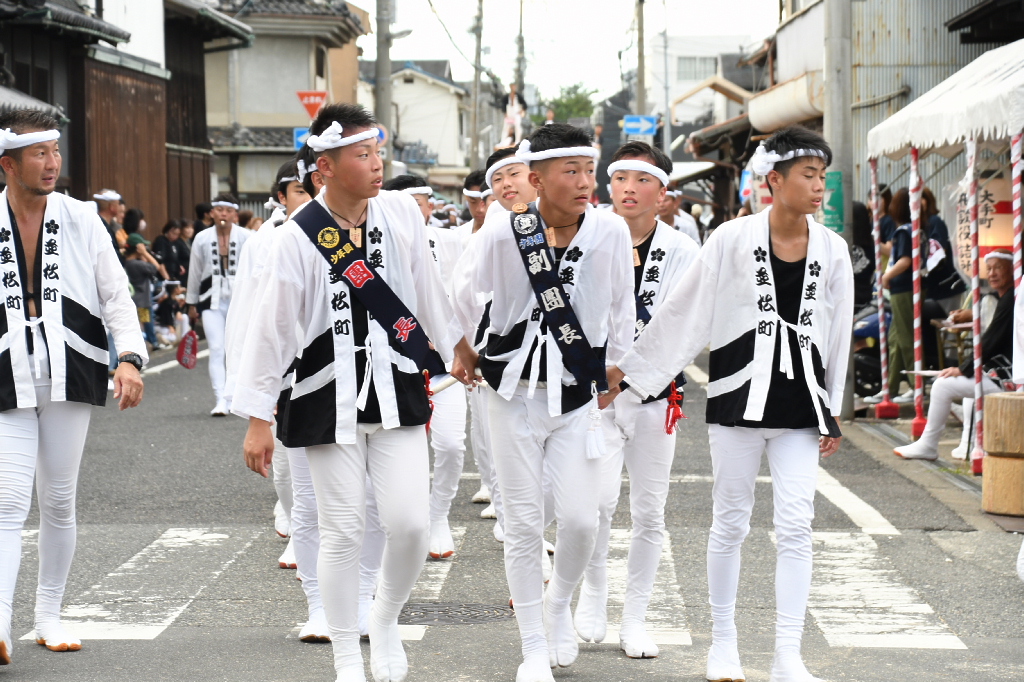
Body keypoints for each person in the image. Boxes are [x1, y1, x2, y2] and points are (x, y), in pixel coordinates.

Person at [234, 104, 476, 682]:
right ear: (325, 167)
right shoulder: (298, 236)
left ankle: (385, 620)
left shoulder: (397, 214)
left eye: (377, 153)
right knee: (342, 529)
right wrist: (257, 416)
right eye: (362, 155)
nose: (376, 165)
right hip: (324, 395)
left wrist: (455, 346)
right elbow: (273, 327)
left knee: (409, 523)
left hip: (397, 389)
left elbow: (427, 289)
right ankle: (347, 653)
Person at [605, 126, 852, 682]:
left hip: (800, 405)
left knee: (796, 523)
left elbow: (835, 332)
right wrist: (632, 371)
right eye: (808, 176)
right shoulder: (731, 239)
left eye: (821, 176)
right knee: (730, 521)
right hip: (738, 397)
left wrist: (831, 406)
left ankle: (788, 654)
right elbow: (684, 313)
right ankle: (724, 644)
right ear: (774, 181)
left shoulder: (833, 249)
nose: (819, 188)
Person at [452, 123, 634, 682]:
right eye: (570, 171)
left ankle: (560, 607)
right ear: (536, 179)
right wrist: (462, 349)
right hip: (510, 397)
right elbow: (459, 293)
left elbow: (623, 309)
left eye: (588, 169)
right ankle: (533, 646)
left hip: (576, 395)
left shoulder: (608, 233)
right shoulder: (504, 233)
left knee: (582, 519)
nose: (584, 182)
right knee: (524, 524)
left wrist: (617, 369)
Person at [0, 110, 146, 664]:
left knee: (58, 500)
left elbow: (115, 293)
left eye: (55, 152)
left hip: (72, 367)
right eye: (39, 154)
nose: (52, 163)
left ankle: (49, 614)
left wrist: (129, 356)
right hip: (5, 372)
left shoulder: (81, 217)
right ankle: (0, 624)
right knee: (8, 499)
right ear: (7, 163)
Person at [573, 141, 699, 659]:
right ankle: (595, 592)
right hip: (593, 398)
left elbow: (682, 331)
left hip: (652, 395)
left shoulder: (684, 251)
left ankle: (637, 618)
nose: (629, 188)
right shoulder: (586, 236)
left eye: (642, 180)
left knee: (649, 512)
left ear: (663, 193)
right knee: (597, 504)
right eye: (621, 178)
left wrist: (625, 377)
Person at [382, 173, 468, 560]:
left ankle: (438, 516)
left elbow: (464, 297)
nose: (421, 209)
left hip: (444, 363)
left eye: (425, 201)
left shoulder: (450, 242)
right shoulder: (373, 244)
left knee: (450, 444)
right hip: (394, 364)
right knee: (401, 454)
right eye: (411, 202)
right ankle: (402, 524)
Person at [894, 250, 1015, 461]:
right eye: (990, 269)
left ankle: (929, 445)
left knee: (943, 385)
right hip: (1003, 370)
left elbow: (990, 341)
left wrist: (963, 368)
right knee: (965, 392)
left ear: (1013, 270)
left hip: (1012, 377)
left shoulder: (1012, 299)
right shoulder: (1007, 297)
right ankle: (968, 447)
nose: (993, 273)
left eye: (999, 268)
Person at [186, 192, 251, 416]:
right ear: (212, 213)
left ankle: (236, 396)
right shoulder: (202, 238)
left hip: (240, 301)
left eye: (228, 210)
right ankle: (220, 399)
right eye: (219, 209)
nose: (223, 214)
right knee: (216, 348)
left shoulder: (248, 237)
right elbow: (194, 272)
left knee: (238, 349)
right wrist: (191, 302)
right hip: (210, 300)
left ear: (235, 214)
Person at [874, 188, 915, 404]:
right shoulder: (908, 230)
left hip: (903, 288)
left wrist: (887, 276)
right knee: (894, 340)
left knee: (906, 338)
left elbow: (905, 260)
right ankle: (889, 387)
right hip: (900, 289)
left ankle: (914, 386)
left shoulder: (904, 232)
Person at [123, 241, 164, 350]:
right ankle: (152, 342)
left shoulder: (127, 262)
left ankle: (149, 343)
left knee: (141, 322)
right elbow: (156, 267)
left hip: (134, 298)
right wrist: (145, 253)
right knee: (145, 322)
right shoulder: (136, 264)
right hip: (142, 299)